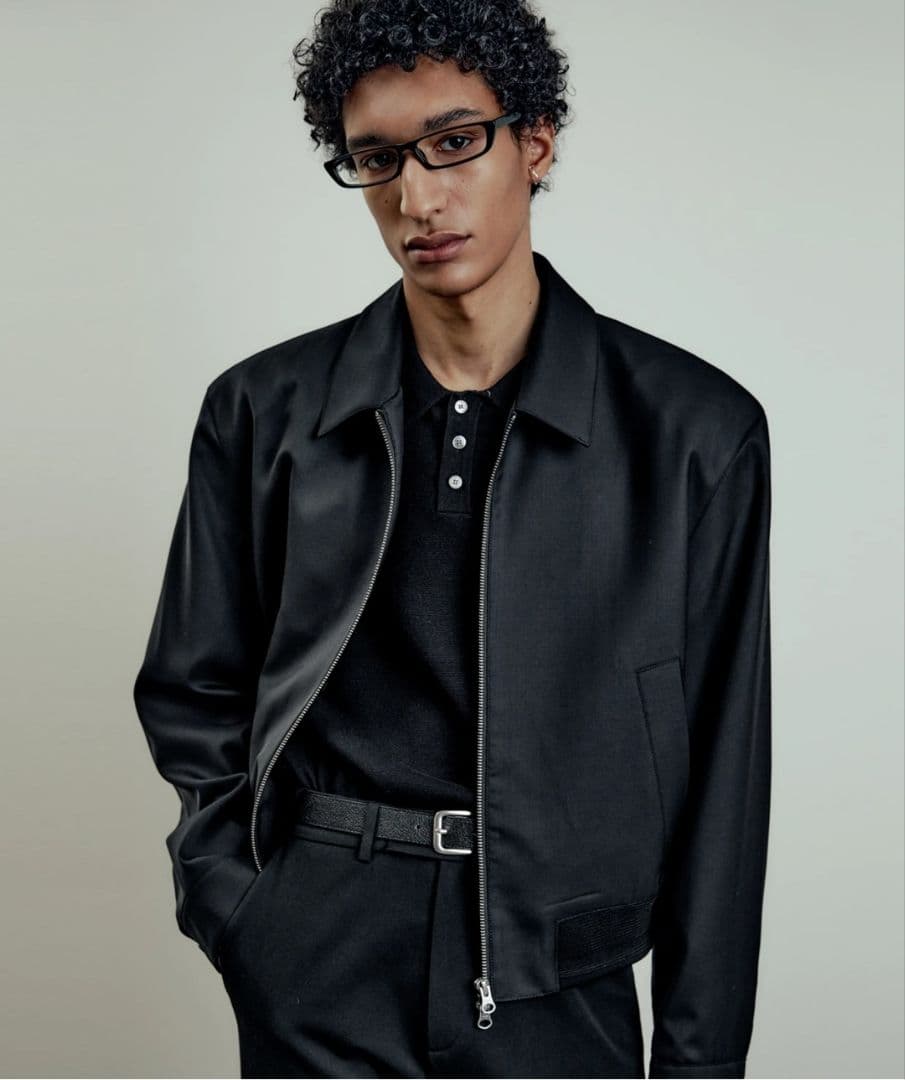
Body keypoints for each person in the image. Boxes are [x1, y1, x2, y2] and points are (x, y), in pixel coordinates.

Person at [133, 2, 772, 1077]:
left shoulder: (692, 433)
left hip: (556, 958)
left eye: (454, 142)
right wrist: (239, 906)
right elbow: (194, 688)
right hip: (319, 946)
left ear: (536, 141)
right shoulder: (263, 411)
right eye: (376, 158)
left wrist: (698, 1063)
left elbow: (724, 771)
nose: (416, 198)